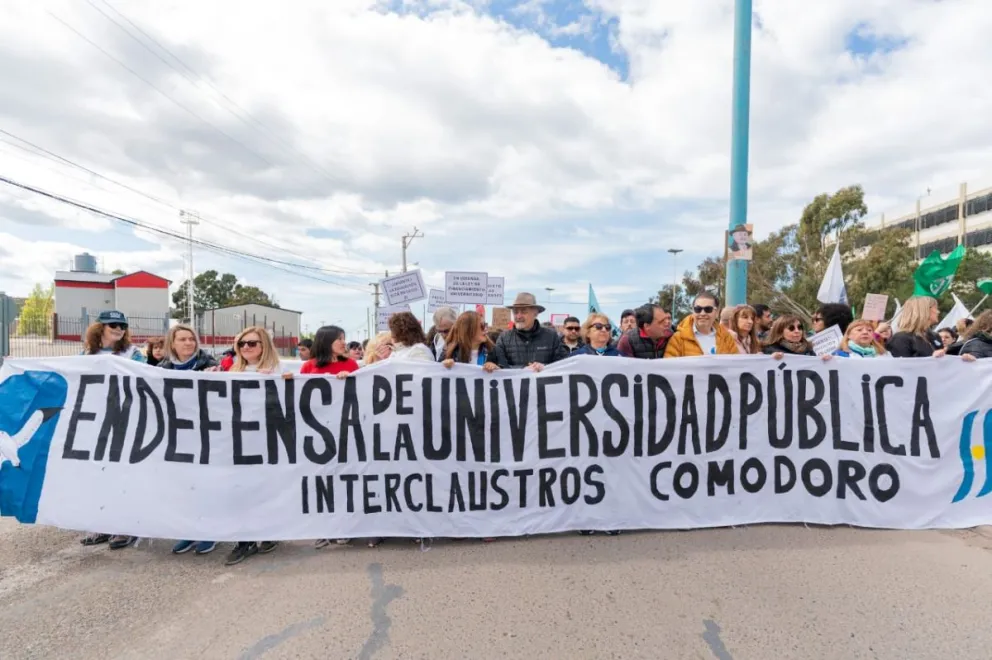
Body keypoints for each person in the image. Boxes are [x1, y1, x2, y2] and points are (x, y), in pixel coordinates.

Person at [78, 310, 144, 550]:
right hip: (94, 421)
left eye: (123, 325)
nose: (119, 329)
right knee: (97, 474)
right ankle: (101, 524)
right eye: (113, 324)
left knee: (122, 474)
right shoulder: (85, 354)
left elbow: (146, 380)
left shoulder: (132, 354)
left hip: (124, 419)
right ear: (101, 328)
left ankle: (124, 527)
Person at [220, 326, 281, 565]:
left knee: (263, 490)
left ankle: (267, 532)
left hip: (266, 441)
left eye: (252, 343)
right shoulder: (233, 371)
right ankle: (244, 540)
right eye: (242, 343)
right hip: (239, 441)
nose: (246, 347)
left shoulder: (278, 370)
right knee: (240, 490)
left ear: (264, 345)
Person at [157, 325, 219, 556]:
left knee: (206, 484)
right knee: (183, 485)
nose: (188, 343)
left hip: (207, 432)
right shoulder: (162, 369)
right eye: (182, 339)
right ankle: (189, 530)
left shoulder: (210, 365)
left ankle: (209, 531)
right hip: (177, 434)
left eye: (192, 339)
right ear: (172, 344)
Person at [576, 312, 620, 536]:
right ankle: (588, 517)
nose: (603, 330)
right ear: (588, 331)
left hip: (613, 422)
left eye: (607, 327)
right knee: (587, 468)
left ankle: (612, 517)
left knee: (612, 469)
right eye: (598, 326)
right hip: (585, 422)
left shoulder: (619, 356)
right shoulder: (577, 356)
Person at [490, 293, 568, 371]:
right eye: (515, 312)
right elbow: (499, 366)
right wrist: (524, 369)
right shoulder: (504, 338)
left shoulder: (551, 336)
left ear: (535, 313)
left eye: (524, 312)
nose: (518, 316)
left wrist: (544, 367)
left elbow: (563, 364)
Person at [664, 292, 737, 357]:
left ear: (717, 312)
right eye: (698, 309)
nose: (702, 313)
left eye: (708, 309)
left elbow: (736, 364)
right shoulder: (678, 339)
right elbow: (669, 368)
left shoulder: (726, 337)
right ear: (693, 311)